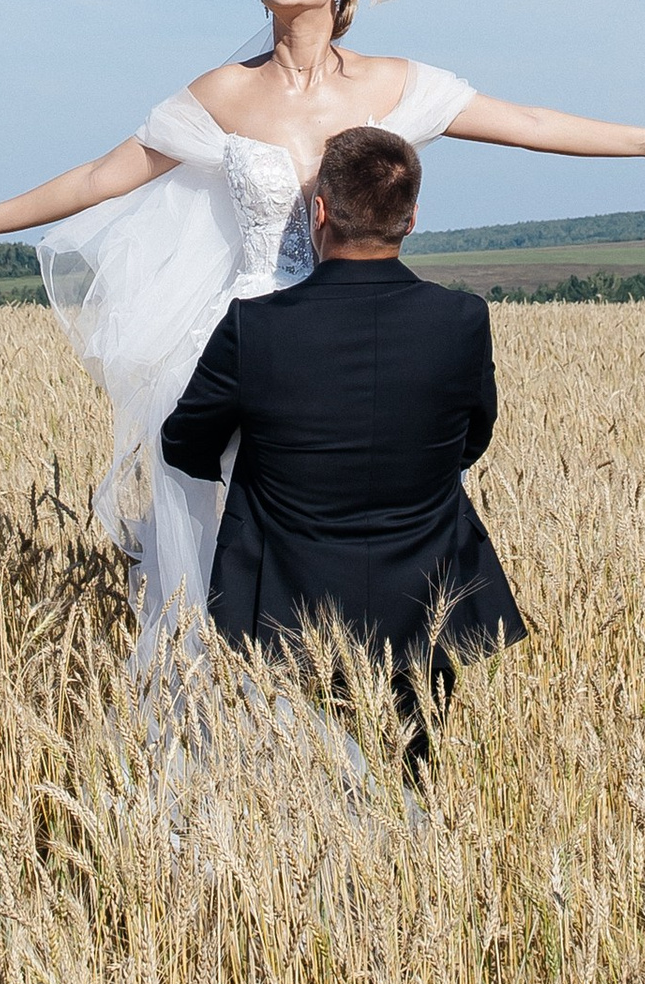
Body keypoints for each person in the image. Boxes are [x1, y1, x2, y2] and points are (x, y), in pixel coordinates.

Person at [0, 0, 645, 665]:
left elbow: (531, 124)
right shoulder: (223, 92)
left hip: (359, 343)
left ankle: (372, 684)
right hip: (249, 343)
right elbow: (101, 175)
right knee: (234, 539)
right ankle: (239, 703)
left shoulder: (393, 84)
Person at [160, 121, 519, 776]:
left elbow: (184, 444)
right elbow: (473, 438)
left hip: (284, 608)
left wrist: (260, 466)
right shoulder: (462, 320)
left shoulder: (254, 327)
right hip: (426, 603)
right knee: (414, 785)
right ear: (411, 219)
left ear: (319, 213)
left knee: (298, 796)